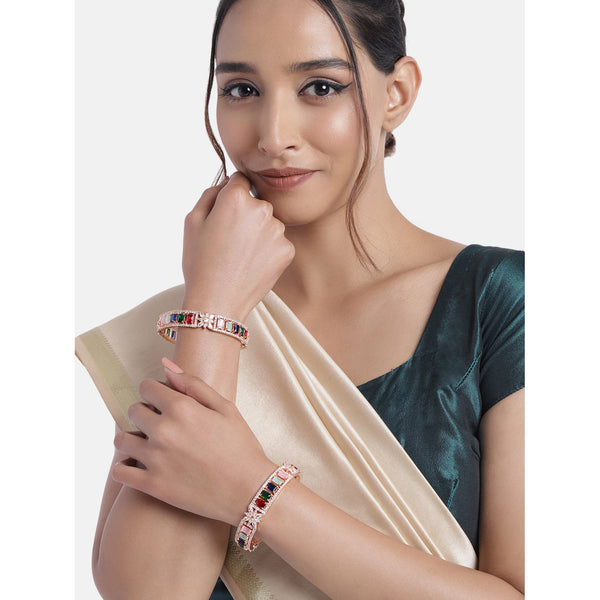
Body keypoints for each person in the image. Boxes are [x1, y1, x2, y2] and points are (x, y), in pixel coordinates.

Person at [77, 0, 524, 598]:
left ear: (396, 93)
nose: (273, 137)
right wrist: (215, 310)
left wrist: (251, 489)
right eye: (241, 90)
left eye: (320, 87)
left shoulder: (498, 302)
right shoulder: (192, 318)